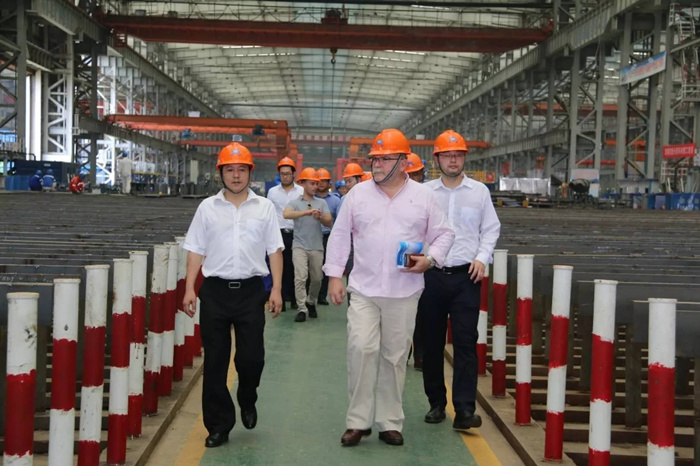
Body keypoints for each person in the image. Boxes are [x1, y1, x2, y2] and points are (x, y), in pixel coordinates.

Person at [324, 128, 454, 447]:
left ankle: (389, 422)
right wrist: (335, 275)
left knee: (394, 358)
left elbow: (444, 234)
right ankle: (358, 422)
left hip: (404, 291)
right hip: (364, 289)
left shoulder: (423, 197)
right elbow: (340, 235)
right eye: (375, 159)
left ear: (403, 162)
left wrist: (430, 259)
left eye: (384, 159)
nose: (377, 165)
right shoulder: (358, 195)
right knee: (361, 349)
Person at [182, 142, 284, 449]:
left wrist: (276, 289)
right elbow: (195, 249)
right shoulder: (207, 208)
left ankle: (247, 395)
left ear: (250, 173)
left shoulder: (264, 207)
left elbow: (275, 250)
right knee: (215, 361)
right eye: (230, 170)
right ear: (221, 173)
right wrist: (189, 288)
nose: (236, 175)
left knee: (252, 358)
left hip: (251, 292)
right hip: (215, 292)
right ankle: (219, 425)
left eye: (241, 170)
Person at [419, 129, 501, 432]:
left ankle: (465, 409)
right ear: (437, 159)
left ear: (464, 158)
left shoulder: (479, 192)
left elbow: (490, 229)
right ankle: (436, 403)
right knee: (431, 342)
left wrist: (482, 257)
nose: (453, 160)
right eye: (447, 155)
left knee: (466, 342)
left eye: (458, 155)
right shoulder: (424, 192)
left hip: (467, 276)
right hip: (432, 275)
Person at [283, 168, 332, 322]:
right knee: (300, 277)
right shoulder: (295, 203)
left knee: (317, 278)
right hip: (299, 245)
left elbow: (329, 222)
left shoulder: (321, 203)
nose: (315, 186)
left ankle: (311, 301)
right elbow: (286, 214)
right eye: (312, 183)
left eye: (316, 183)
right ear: (303, 184)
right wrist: (305, 213)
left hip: (316, 246)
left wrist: (320, 218)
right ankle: (302, 309)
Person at [267, 157, 303, 312]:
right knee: (279, 268)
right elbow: (269, 214)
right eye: (282, 174)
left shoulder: (301, 191)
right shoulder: (272, 192)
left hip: (297, 234)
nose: (285, 176)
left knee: (296, 268)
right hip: (279, 234)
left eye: (288, 174)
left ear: (294, 174)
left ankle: (295, 300)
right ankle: (280, 299)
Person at [315, 168, 341, 306]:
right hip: (312, 236)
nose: (321, 183)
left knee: (326, 266)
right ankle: (309, 295)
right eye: (319, 181)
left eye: (324, 181)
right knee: (312, 267)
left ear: (329, 183)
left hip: (328, 237)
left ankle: (322, 296)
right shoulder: (310, 199)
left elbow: (339, 220)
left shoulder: (336, 201)